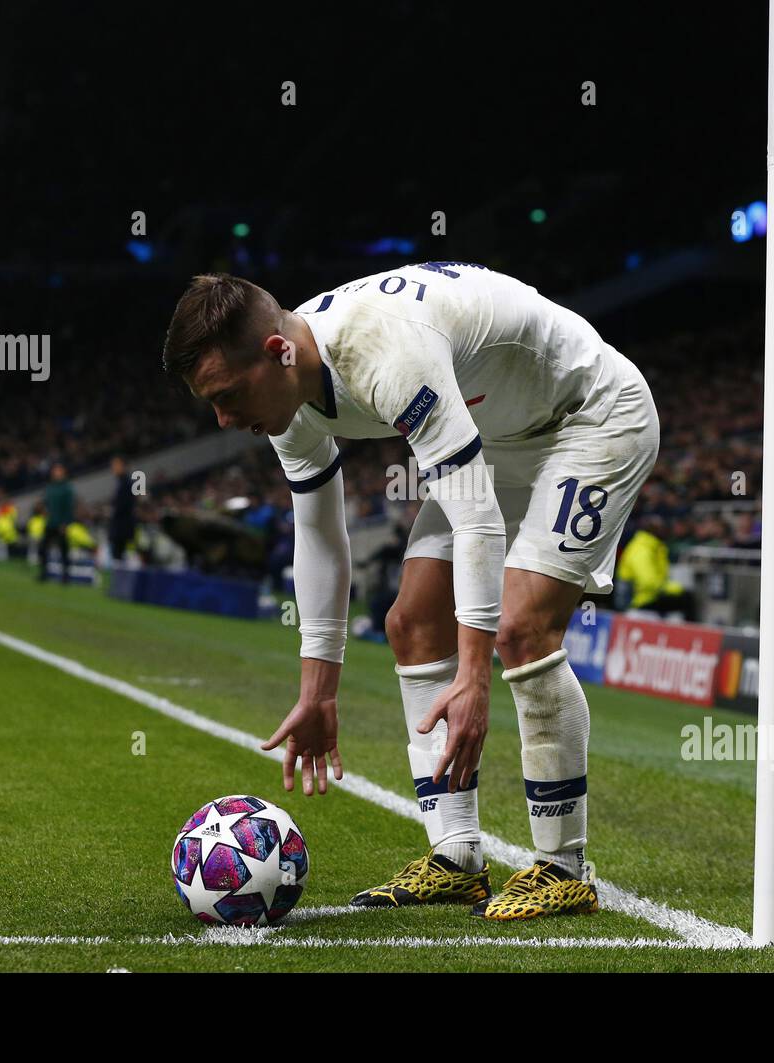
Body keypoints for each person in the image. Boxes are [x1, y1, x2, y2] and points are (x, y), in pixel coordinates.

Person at [162, 263, 660, 921]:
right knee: (412, 621)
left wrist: (475, 676)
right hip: (504, 438)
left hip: (592, 418)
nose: (225, 418)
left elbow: (475, 515)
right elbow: (319, 534)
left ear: (277, 352)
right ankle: (456, 857)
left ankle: (564, 867)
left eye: (227, 394)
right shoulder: (286, 390)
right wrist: (319, 691)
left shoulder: (384, 350)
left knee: (518, 630)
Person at [38, 463, 75, 583]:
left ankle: (65, 575)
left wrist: (65, 523)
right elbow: (45, 503)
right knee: (43, 548)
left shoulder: (67, 488)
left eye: (59, 471)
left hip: (61, 524)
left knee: (64, 549)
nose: (57, 473)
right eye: (55, 471)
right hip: (50, 523)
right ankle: (44, 573)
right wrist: (44, 511)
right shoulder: (50, 487)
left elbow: (69, 507)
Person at [108, 456, 136, 564]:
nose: (113, 468)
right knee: (117, 556)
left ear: (123, 466)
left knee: (120, 557)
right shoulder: (120, 482)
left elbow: (125, 506)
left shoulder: (127, 483)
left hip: (122, 527)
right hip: (119, 526)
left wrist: (113, 510)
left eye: (116, 465)